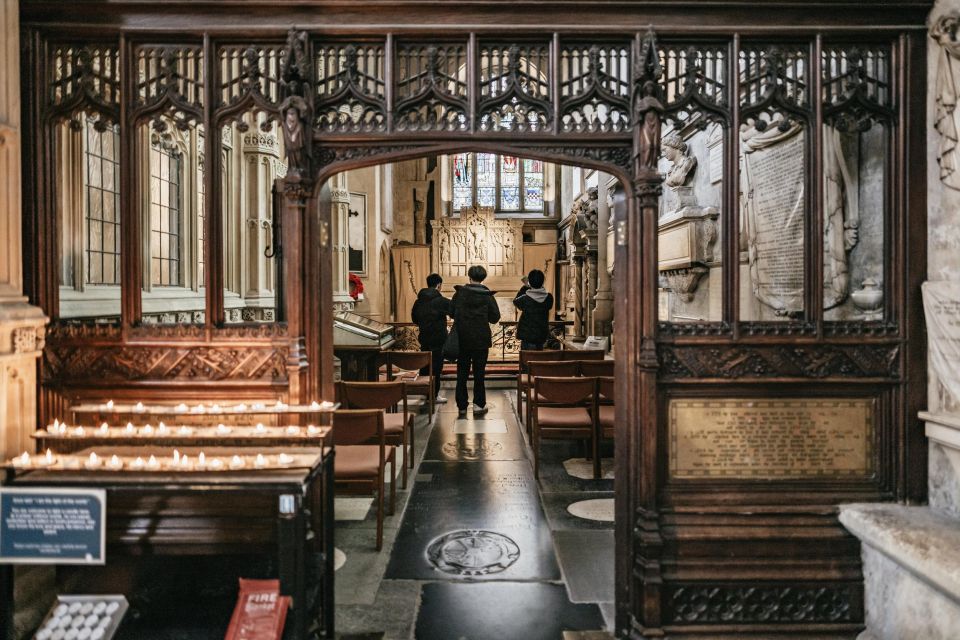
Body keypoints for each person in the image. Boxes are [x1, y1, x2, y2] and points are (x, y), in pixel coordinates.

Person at [451, 265, 501, 419]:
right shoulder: (487, 295)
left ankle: (462, 407)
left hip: (463, 338)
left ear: (469, 276)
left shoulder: (459, 294)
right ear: (483, 278)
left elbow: (452, 313)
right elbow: (495, 317)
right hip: (480, 339)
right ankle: (479, 405)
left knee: (462, 373)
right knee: (479, 374)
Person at [411, 273, 451, 404]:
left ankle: (425, 392)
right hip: (438, 339)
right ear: (439, 285)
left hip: (424, 338)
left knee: (425, 366)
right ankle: (433, 395)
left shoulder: (419, 301)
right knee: (436, 368)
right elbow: (454, 311)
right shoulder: (441, 300)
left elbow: (414, 319)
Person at [514, 269, 554, 351]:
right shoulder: (549, 298)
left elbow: (516, 301)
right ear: (543, 282)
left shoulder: (524, 298)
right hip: (541, 336)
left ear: (530, 282)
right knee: (538, 361)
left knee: (526, 361)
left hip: (527, 336)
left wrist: (525, 286)